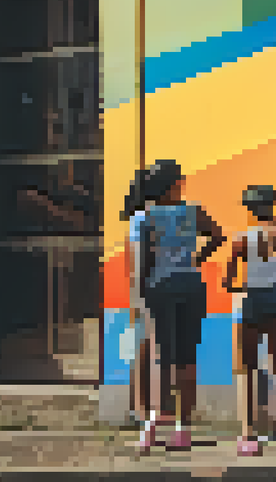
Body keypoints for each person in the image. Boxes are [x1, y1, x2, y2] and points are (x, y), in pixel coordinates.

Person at [133, 159, 226, 453]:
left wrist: (140, 293)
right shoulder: (193, 211)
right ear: (172, 185)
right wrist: (197, 259)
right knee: (187, 358)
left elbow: (143, 260)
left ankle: (151, 425)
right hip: (191, 285)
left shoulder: (144, 216)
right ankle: (182, 430)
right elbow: (218, 236)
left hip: (159, 287)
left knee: (159, 355)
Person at [223, 185, 276, 457]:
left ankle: (247, 432)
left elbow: (228, 281)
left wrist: (241, 284)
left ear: (249, 208)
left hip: (248, 301)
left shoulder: (242, 239)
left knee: (246, 369)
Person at [122, 167, 158, 428]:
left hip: (140, 285)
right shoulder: (145, 217)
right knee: (145, 346)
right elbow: (140, 255)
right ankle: (141, 407)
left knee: (141, 346)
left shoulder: (138, 217)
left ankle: (139, 406)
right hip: (148, 285)